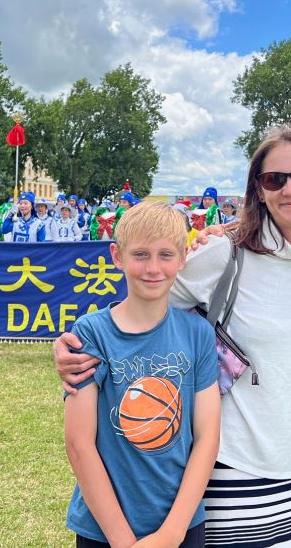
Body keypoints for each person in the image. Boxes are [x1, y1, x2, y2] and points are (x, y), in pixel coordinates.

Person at [59, 125, 291, 546]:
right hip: (234, 467)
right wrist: (81, 344)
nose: (290, 189)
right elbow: (147, 300)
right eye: (274, 179)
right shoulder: (224, 253)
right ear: (258, 189)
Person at [63, 201, 220, 547]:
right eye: (140, 255)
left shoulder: (198, 334)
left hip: (181, 525)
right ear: (117, 256)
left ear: (182, 258)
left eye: (166, 255)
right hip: (103, 530)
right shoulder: (91, 333)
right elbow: (78, 444)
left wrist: (172, 533)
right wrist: (123, 541)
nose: (153, 268)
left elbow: (207, 438)